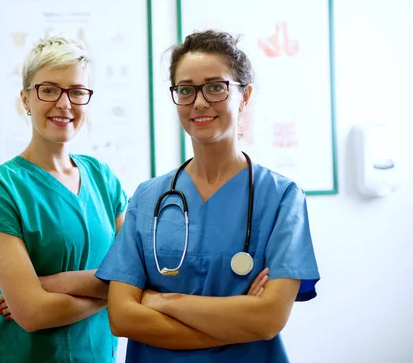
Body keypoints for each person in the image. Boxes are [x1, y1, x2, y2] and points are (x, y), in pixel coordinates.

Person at [95, 30, 320, 362]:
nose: (199, 102)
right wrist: (238, 319)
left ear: (245, 96)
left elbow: (268, 319)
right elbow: (122, 316)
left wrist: (160, 301)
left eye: (216, 87)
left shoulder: (282, 198)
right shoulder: (148, 198)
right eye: (185, 90)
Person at [0, 35, 128, 362]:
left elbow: (137, 277)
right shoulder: (3, 187)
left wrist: (49, 283)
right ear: (26, 99)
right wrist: (114, 295)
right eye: (49, 90)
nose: (65, 103)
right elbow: (32, 313)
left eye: (77, 92)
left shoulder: (103, 178)